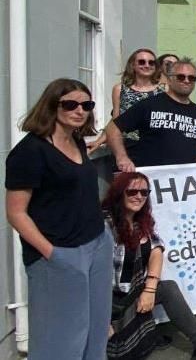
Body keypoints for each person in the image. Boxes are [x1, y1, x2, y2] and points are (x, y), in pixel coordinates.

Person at [5, 78, 113, 359]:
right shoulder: (29, 152)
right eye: (70, 104)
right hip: (59, 254)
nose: (80, 111)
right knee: (60, 342)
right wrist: (51, 253)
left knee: (96, 333)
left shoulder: (76, 140)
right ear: (52, 105)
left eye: (86, 105)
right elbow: (16, 213)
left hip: (97, 245)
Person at [103, 172, 196, 359]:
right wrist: (101, 320)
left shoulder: (139, 220)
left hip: (133, 293)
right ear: (119, 193)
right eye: (132, 191)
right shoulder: (105, 225)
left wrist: (150, 289)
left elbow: (156, 249)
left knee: (168, 289)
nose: (139, 196)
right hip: (109, 302)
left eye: (144, 192)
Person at [107, 57, 196, 171]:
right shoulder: (150, 105)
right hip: (152, 179)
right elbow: (113, 129)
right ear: (169, 79)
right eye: (180, 77)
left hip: (185, 180)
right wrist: (122, 157)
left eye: (192, 78)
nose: (186, 80)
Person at [89, 48, 165, 152]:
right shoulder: (120, 89)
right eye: (142, 62)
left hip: (156, 143)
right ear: (133, 65)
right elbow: (116, 119)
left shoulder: (164, 90)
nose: (147, 65)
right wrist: (99, 141)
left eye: (151, 63)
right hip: (127, 145)